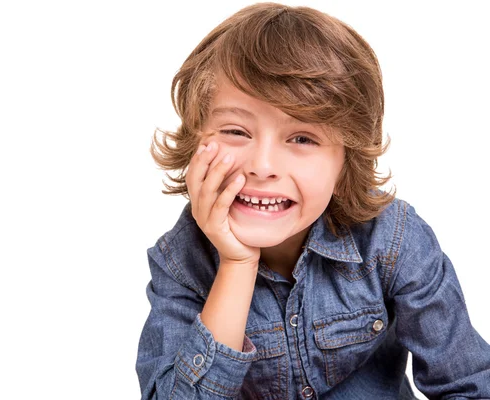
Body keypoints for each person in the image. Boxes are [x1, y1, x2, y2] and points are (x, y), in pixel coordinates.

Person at [135, 3, 490, 399]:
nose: (263, 165)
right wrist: (237, 264)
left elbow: (469, 386)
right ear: (195, 143)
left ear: (345, 165)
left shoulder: (393, 240)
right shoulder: (180, 260)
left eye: (302, 138)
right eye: (236, 130)